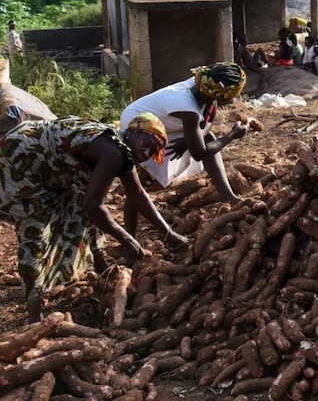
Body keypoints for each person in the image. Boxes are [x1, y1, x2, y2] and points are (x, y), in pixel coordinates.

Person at [0, 113, 188, 322]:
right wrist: (126, 238)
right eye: (146, 142)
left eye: (152, 151)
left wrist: (168, 233)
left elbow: (137, 194)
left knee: (78, 202)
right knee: (35, 228)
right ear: (132, 131)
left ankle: (102, 269)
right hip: (17, 157)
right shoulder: (113, 151)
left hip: (41, 160)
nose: (145, 152)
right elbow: (94, 206)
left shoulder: (121, 151)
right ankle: (34, 314)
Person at [120, 62, 249, 203]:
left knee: (207, 137)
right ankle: (134, 192)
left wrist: (189, 141)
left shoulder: (203, 87)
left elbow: (208, 119)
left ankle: (228, 196)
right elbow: (199, 153)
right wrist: (231, 135)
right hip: (138, 125)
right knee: (145, 181)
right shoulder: (189, 109)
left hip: (163, 122)